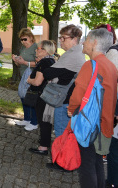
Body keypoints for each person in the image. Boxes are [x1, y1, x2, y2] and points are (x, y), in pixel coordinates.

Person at [67, 28, 117, 188]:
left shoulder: (91, 65)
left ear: (95, 43)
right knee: (96, 163)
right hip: (104, 123)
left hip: (89, 124)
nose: (83, 42)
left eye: (87, 39)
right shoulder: (110, 66)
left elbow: (78, 94)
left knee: (86, 167)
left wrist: (72, 109)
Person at [43, 24, 86, 170]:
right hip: (68, 97)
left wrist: (51, 67)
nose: (61, 41)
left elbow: (48, 73)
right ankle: (64, 160)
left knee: (62, 131)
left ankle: (62, 163)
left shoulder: (73, 54)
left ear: (74, 39)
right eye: (60, 37)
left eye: (64, 38)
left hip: (65, 99)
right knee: (64, 131)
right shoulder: (74, 53)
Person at [95, 24, 118, 188]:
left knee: (115, 148)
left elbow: (109, 82)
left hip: (113, 104)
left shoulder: (113, 52)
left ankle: (112, 181)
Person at [26, 40, 56, 156]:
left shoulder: (44, 63)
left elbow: (37, 82)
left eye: (38, 49)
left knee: (43, 121)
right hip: (48, 95)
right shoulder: (51, 60)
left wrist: (29, 80)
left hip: (41, 96)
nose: (36, 50)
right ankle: (44, 143)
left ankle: (43, 147)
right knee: (46, 121)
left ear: (45, 51)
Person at [12, 28, 38, 131]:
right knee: (23, 97)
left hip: (32, 76)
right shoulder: (23, 48)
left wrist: (24, 63)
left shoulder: (36, 47)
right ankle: (27, 119)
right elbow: (20, 63)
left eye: (25, 39)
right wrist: (16, 61)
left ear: (31, 37)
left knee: (31, 99)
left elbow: (40, 62)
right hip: (24, 76)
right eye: (21, 39)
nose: (23, 41)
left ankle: (34, 122)